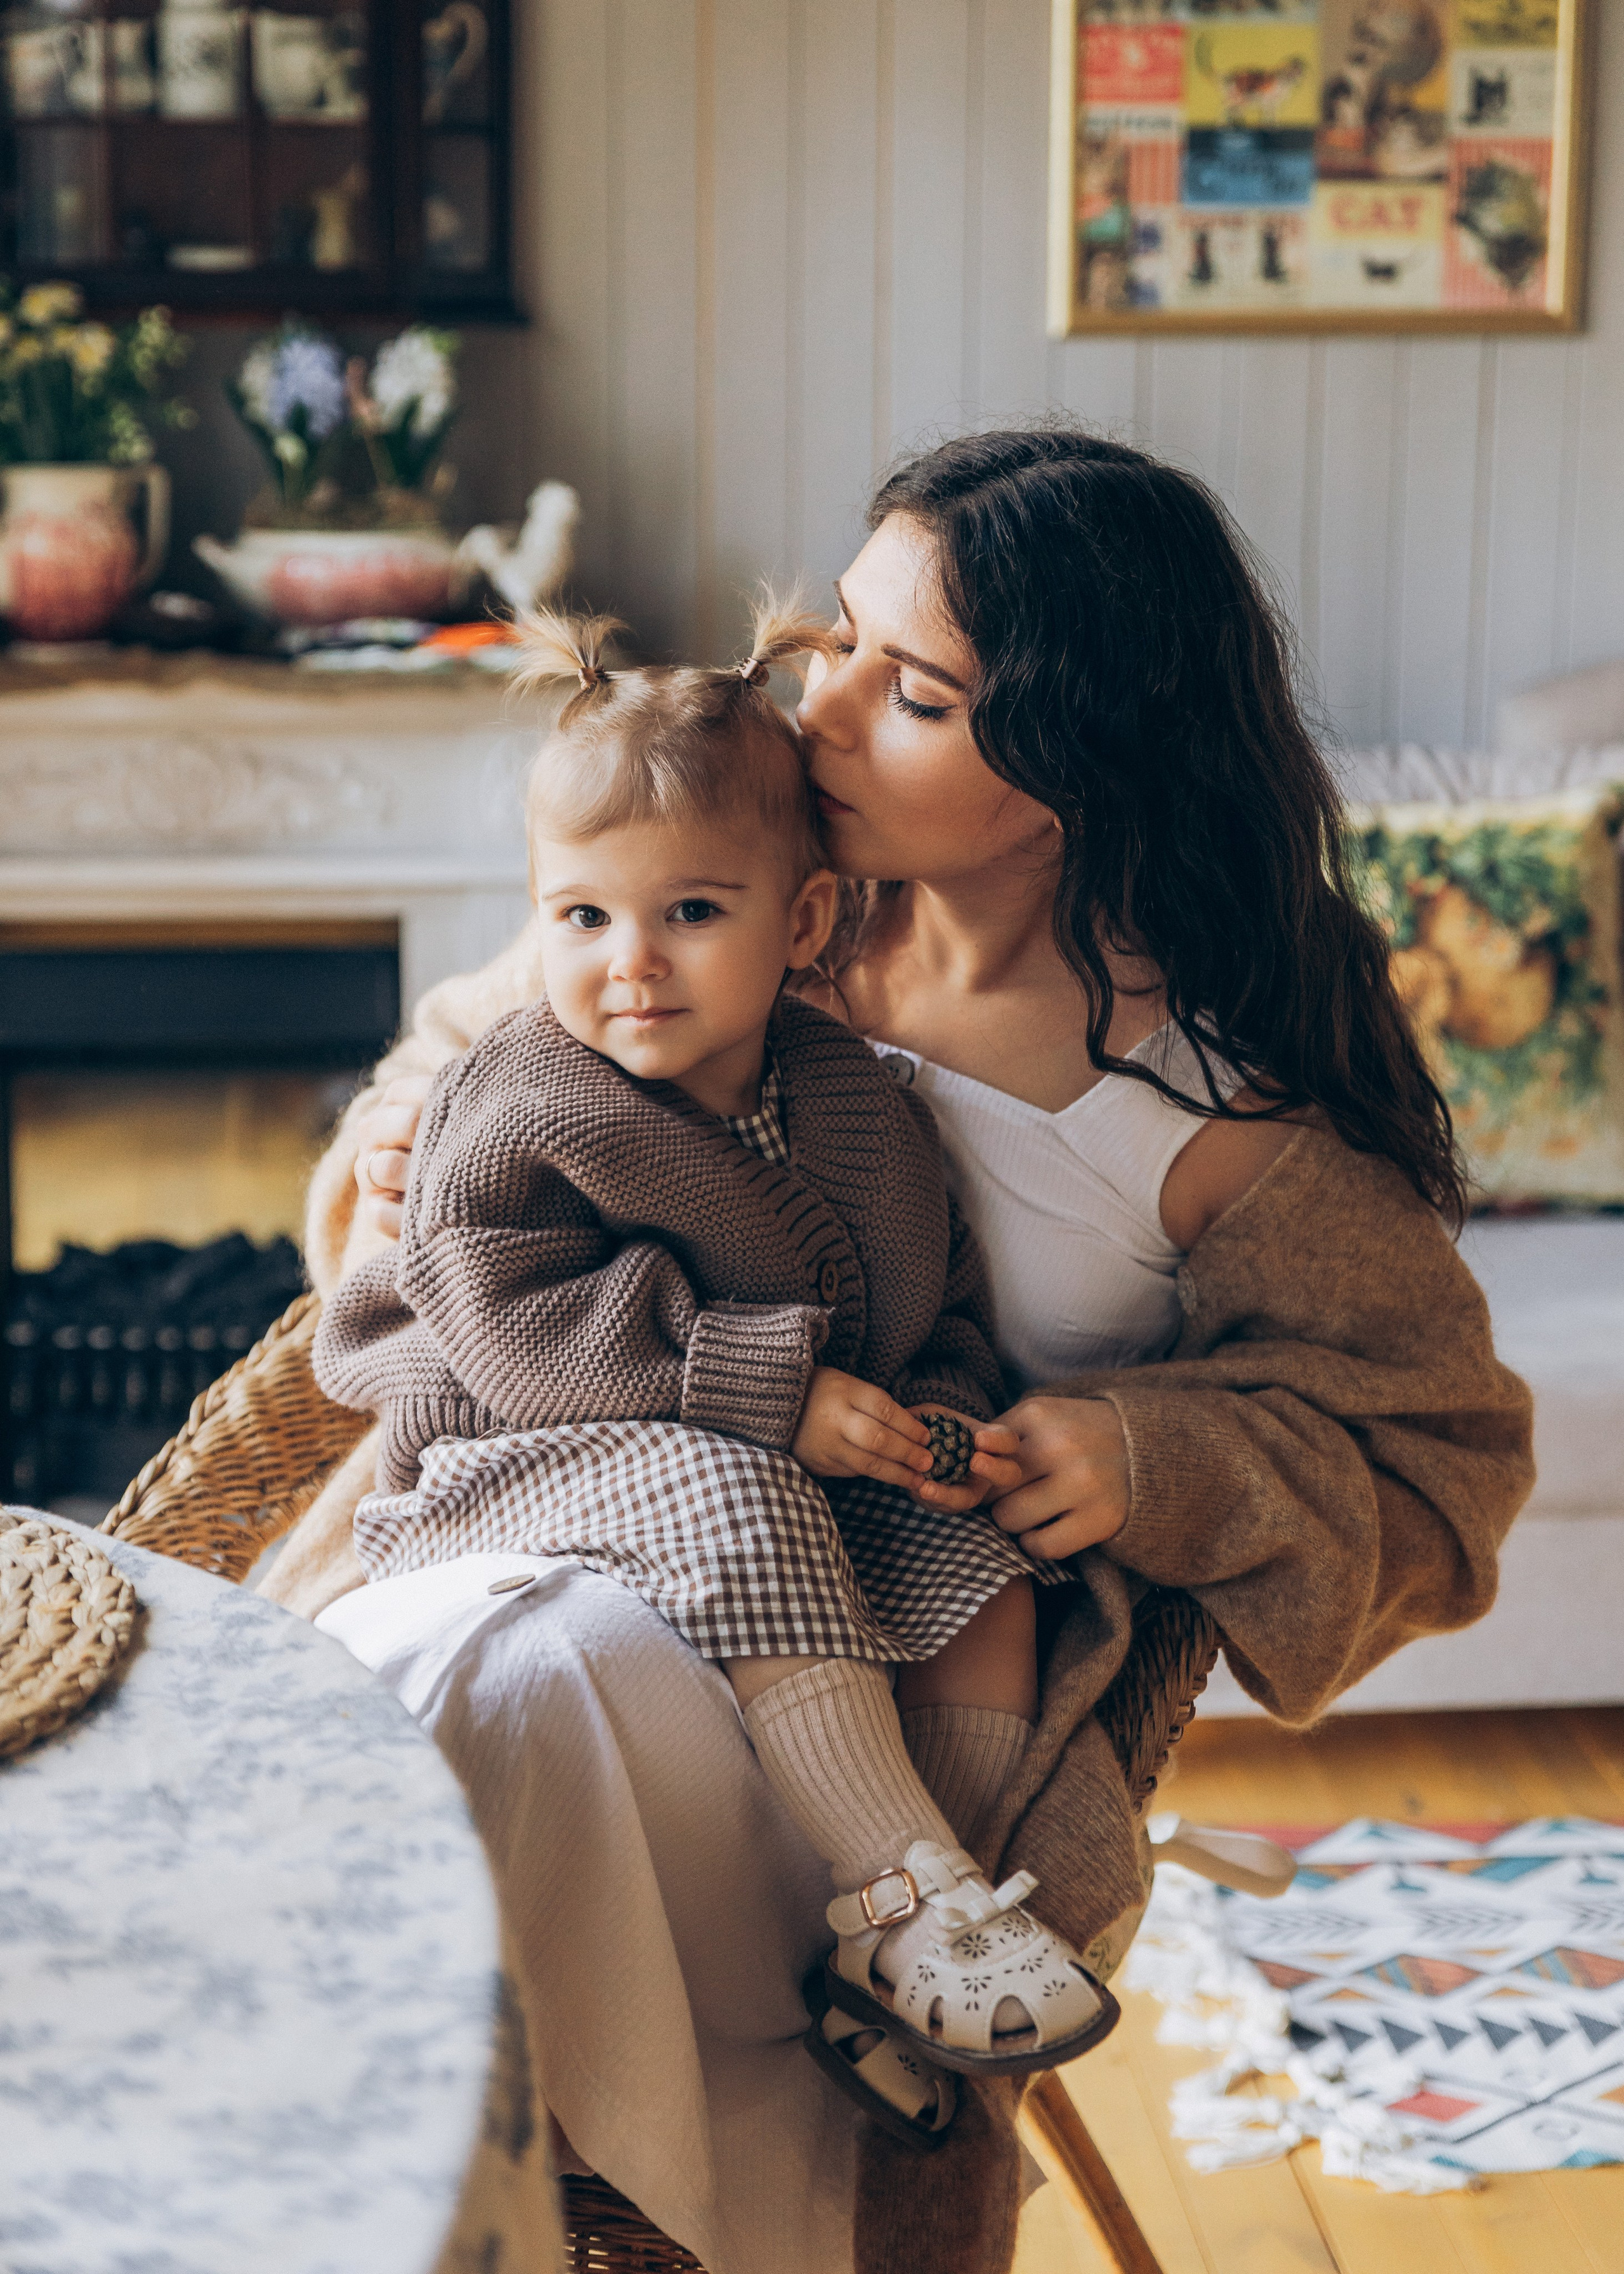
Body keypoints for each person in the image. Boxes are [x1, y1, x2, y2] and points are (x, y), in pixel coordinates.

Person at [275, 427, 1533, 2274]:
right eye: (837, 645)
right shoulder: (732, 883)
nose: (825, 713)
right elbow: (466, 1098)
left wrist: (1149, 1455)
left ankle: (610, 2111)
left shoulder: (1208, 1113)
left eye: (914, 693)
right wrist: (395, 1156)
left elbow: (1439, 1461)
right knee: (491, 1672)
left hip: (877, 1685)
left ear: (1075, 766)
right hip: (534, 1501)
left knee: (528, 1692)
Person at [311, 598, 1112, 2084]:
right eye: (582, 918)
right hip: (508, 1450)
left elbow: (923, 1298)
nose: (629, 962)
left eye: (689, 913)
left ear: (798, 923)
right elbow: (511, 1318)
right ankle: (898, 1888)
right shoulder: (525, 1095)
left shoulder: (854, 1103)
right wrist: (770, 1394)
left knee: (983, 1576)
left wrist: (930, 1421)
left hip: (774, 1451)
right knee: (733, 1487)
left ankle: (910, 1950)